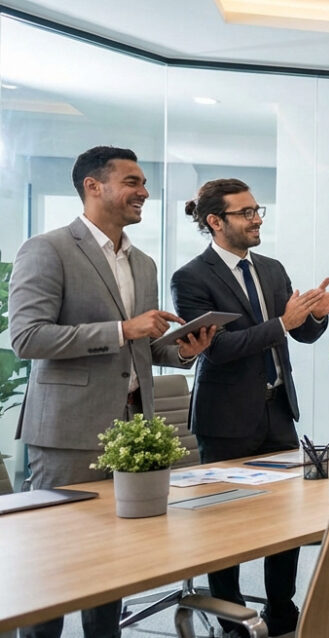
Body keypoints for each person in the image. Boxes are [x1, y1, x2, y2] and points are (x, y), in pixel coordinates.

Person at [9, 145, 214, 638]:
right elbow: (27, 338)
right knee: (55, 559)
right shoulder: (48, 249)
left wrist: (185, 350)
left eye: (143, 183)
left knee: (114, 561)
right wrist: (122, 329)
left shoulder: (144, 263)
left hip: (133, 431)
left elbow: (140, 348)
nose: (144, 192)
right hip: (69, 433)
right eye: (132, 182)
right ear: (93, 186)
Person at [171, 178, 329, 638]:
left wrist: (317, 314)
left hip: (277, 411)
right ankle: (232, 616)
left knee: (284, 520)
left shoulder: (271, 268)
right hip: (225, 419)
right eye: (245, 212)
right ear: (215, 221)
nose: (256, 219)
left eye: (257, 210)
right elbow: (217, 349)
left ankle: (282, 608)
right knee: (223, 524)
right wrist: (282, 322)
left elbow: (299, 333)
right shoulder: (191, 277)